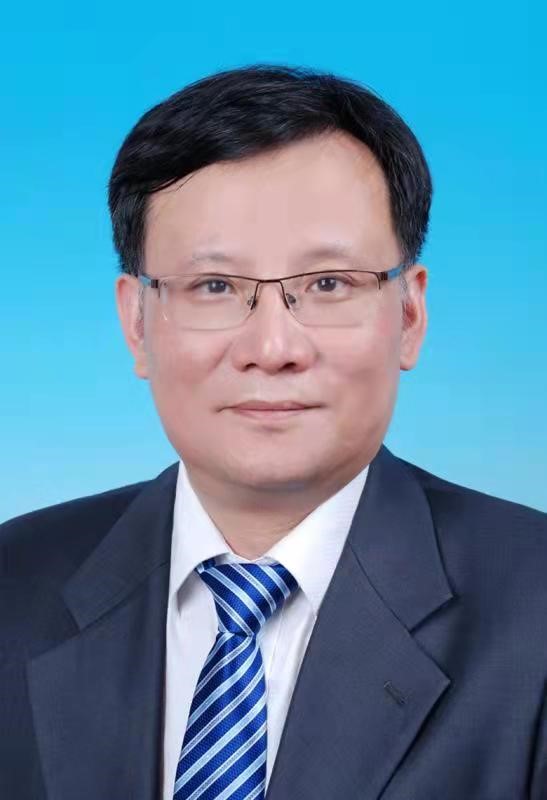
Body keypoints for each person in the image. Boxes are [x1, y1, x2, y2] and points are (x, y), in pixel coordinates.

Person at [1, 63, 545, 800]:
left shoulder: (533, 607)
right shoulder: (14, 584)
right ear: (136, 323)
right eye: (214, 286)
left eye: (327, 284)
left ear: (409, 316)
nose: (272, 347)